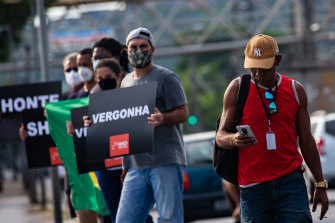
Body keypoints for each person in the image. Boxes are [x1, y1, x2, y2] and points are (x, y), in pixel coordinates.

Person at [215, 34, 329, 222]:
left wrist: (320, 184)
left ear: (278, 60)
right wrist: (234, 139)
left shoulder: (295, 90)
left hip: (290, 183)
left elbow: (307, 141)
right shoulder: (236, 89)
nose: (258, 74)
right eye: (253, 67)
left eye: (264, 68)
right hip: (253, 188)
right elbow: (220, 136)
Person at [115, 27, 189, 223]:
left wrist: (163, 118)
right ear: (126, 50)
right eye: (133, 47)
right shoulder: (125, 82)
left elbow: (183, 113)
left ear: (153, 49)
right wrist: (126, 164)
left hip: (164, 161)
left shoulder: (166, 78)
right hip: (135, 166)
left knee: (169, 218)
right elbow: (123, 122)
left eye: (143, 46)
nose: (138, 50)